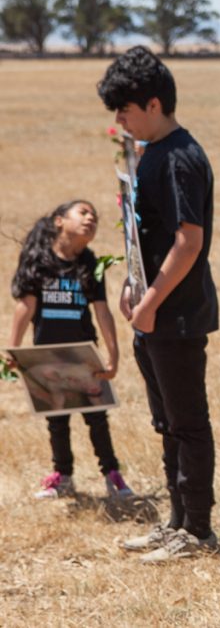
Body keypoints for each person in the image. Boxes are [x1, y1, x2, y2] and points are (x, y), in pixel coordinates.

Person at [97, 45, 220, 563]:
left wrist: (149, 301)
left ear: (152, 104)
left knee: (188, 422)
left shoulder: (179, 159)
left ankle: (198, 530)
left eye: (124, 109)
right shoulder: (150, 155)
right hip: (153, 310)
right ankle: (175, 522)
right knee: (165, 422)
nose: (120, 120)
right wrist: (132, 285)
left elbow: (188, 241)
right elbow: (149, 235)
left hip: (177, 313)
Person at [8, 200, 133, 500]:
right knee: (57, 418)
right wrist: (13, 349)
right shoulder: (38, 260)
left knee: (96, 417)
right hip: (48, 353)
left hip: (82, 354)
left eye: (95, 216)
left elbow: (102, 312)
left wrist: (113, 356)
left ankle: (112, 474)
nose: (91, 219)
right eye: (83, 213)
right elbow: (25, 307)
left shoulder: (91, 263)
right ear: (59, 221)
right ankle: (63, 476)